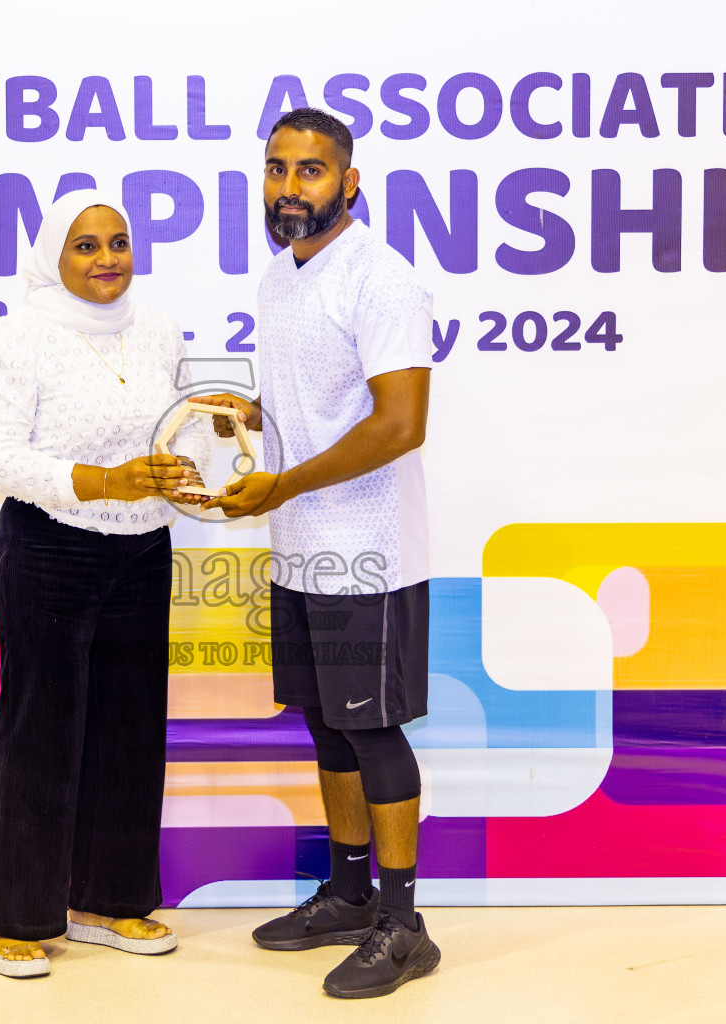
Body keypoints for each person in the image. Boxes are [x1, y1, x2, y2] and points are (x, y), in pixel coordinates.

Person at [199, 107, 440, 999]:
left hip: (367, 551)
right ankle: (346, 891)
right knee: (327, 722)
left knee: (372, 729)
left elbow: (400, 424)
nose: (290, 187)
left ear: (349, 181)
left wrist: (286, 481)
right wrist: (255, 416)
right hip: (300, 548)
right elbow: (324, 403)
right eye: (276, 169)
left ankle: (404, 923)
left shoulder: (381, 280)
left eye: (310, 171)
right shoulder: (279, 277)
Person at [0, 190, 209, 979]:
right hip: (49, 548)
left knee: (131, 729)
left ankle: (110, 901)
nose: (106, 257)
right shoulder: (16, 337)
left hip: (143, 548)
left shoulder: (159, 330)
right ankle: (13, 916)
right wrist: (105, 479)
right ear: (52, 256)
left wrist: (212, 439)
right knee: (41, 731)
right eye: (85, 245)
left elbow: (173, 434)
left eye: (118, 241)